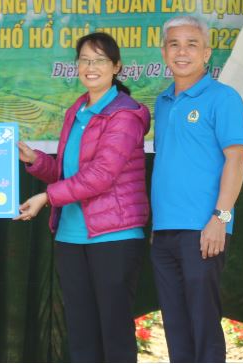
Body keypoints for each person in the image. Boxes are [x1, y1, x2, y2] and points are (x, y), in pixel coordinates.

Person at [15, 32, 150, 363]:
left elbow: (101, 176)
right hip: (71, 236)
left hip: (114, 237)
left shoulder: (125, 115)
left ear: (116, 66)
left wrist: (47, 198)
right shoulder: (77, 111)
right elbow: (69, 174)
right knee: (81, 333)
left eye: (100, 60)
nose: (91, 67)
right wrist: (36, 161)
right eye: (85, 60)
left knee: (114, 335)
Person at [150, 16, 243, 363]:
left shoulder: (223, 98)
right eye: (174, 44)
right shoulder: (162, 102)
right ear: (164, 53)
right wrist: (158, 226)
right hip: (164, 232)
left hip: (204, 229)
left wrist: (220, 218)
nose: (182, 52)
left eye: (192, 45)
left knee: (203, 324)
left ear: (207, 53)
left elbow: (237, 160)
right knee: (176, 327)